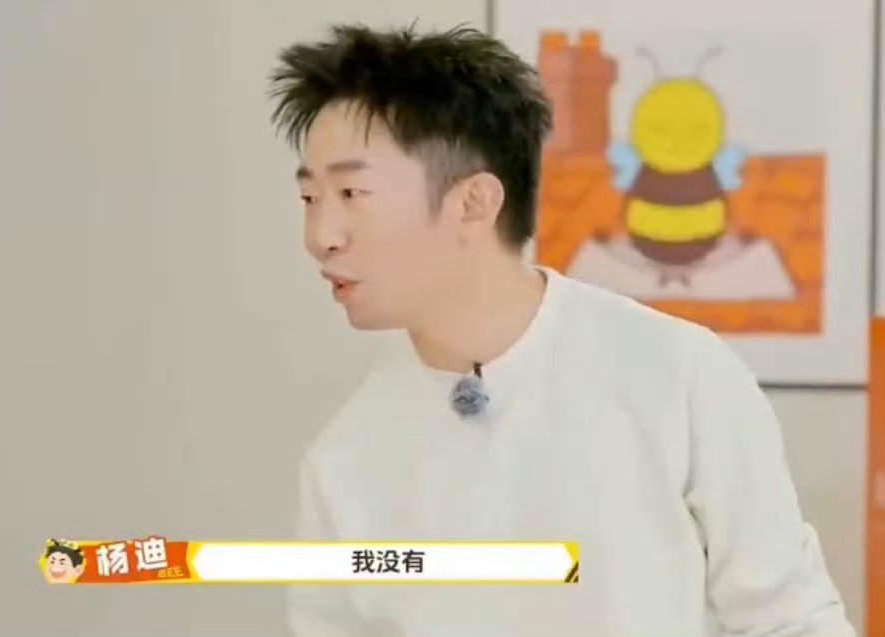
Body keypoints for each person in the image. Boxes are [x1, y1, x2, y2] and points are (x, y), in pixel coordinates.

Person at [267, 23, 854, 637]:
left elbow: (791, 620)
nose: (320, 236)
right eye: (310, 199)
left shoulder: (678, 377)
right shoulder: (344, 458)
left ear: (474, 203)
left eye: (351, 192)